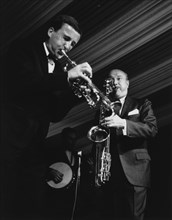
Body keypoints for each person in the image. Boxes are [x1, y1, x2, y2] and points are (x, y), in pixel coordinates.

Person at [1, 15, 92, 220]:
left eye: (73, 44)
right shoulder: (24, 49)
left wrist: (75, 93)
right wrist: (68, 77)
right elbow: (23, 84)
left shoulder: (59, 70)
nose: (68, 46)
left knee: (31, 202)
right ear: (51, 32)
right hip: (9, 138)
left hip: (33, 145)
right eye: (66, 38)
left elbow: (54, 114)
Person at [89, 69, 158, 220]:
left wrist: (123, 124)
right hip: (108, 174)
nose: (114, 82)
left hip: (135, 171)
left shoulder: (141, 104)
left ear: (127, 83)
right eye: (111, 80)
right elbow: (98, 140)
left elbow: (151, 129)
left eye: (118, 78)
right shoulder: (102, 109)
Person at [45, 127, 81, 220]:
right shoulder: (51, 152)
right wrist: (49, 171)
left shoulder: (78, 157)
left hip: (72, 200)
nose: (72, 142)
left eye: (74, 139)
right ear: (63, 138)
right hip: (55, 198)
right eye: (70, 139)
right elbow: (39, 167)